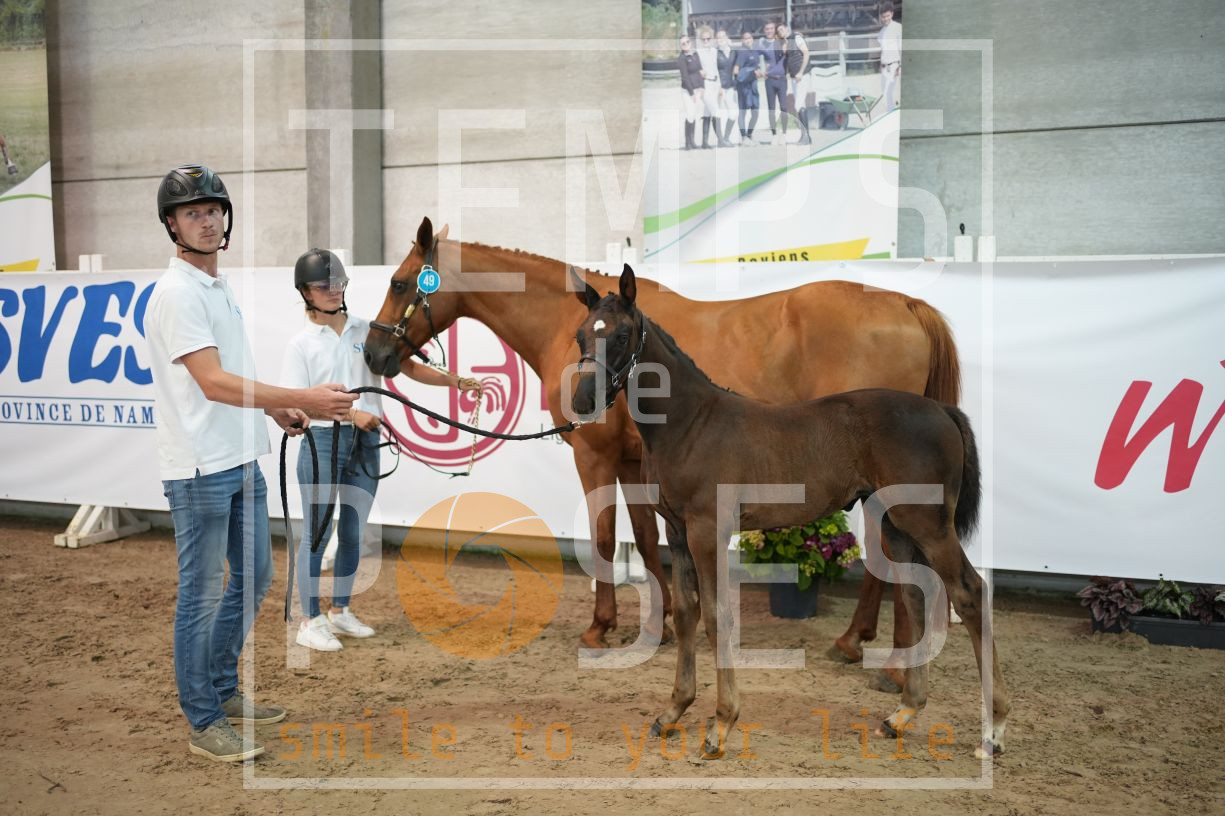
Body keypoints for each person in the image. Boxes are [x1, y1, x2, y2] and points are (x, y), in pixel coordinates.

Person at [145, 165, 357, 762]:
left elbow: (229, 375)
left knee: (254, 578)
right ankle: (204, 719)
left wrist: (273, 409)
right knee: (201, 596)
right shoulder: (178, 293)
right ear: (172, 225)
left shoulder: (215, 288)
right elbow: (211, 382)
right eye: (192, 213)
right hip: (200, 468)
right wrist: (302, 397)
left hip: (240, 458)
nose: (207, 221)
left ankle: (221, 690)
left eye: (213, 210)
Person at [283, 249, 481, 652]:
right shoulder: (300, 345)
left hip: (366, 441)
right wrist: (352, 414)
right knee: (317, 534)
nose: (333, 291)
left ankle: (339, 611)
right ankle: (309, 620)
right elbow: (296, 402)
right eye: (323, 286)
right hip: (323, 443)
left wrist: (454, 381)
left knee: (353, 532)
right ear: (305, 292)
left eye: (338, 283)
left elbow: (406, 366)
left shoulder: (365, 330)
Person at [780, 23, 813, 145]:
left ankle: (806, 136)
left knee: (798, 105)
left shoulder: (797, 38)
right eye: (779, 31)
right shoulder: (787, 42)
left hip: (802, 76)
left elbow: (806, 53)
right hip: (794, 77)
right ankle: (806, 136)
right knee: (800, 104)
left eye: (782, 29)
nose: (780, 32)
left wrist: (801, 72)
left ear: (786, 29)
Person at [758, 20, 787, 144]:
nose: (769, 31)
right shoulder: (762, 44)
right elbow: (753, 56)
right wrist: (758, 69)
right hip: (769, 80)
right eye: (767, 29)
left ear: (775, 30)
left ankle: (784, 134)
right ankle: (774, 134)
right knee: (771, 108)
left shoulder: (781, 41)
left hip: (781, 79)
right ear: (764, 31)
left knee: (784, 107)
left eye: (771, 28)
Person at [732, 30, 763, 145]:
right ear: (742, 40)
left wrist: (758, 72)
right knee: (743, 111)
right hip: (743, 86)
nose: (748, 40)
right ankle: (743, 137)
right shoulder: (742, 52)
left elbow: (756, 67)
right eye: (745, 38)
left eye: (749, 37)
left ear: (752, 39)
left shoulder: (755, 52)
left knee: (755, 111)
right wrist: (750, 72)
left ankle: (749, 134)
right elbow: (736, 70)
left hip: (753, 85)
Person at [695, 26, 723, 148]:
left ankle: (704, 143)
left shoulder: (715, 51)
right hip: (704, 84)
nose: (706, 41)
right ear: (700, 40)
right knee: (716, 111)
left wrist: (720, 86)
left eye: (708, 38)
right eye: (703, 39)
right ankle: (721, 140)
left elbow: (717, 69)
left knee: (707, 113)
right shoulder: (697, 53)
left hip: (715, 84)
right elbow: (694, 69)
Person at [677, 34, 704, 150]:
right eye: (683, 43)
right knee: (689, 114)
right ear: (680, 46)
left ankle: (692, 141)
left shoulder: (695, 54)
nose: (686, 44)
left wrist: (702, 86)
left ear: (690, 42)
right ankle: (687, 143)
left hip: (698, 89)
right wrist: (691, 93)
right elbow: (685, 77)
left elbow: (700, 71)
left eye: (687, 42)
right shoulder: (681, 59)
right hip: (687, 91)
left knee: (694, 114)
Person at [714, 30, 738, 146]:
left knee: (733, 113)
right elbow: (713, 70)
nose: (721, 39)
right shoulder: (715, 53)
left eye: (723, 36)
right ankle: (720, 140)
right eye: (718, 37)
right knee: (718, 113)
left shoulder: (733, 52)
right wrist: (718, 86)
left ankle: (726, 138)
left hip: (730, 86)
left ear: (727, 37)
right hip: (720, 88)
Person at [878, 1, 902, 112]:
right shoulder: (881, 32)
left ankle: (894, 116)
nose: (886, 19)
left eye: (888, 16)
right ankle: (889, 115)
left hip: (894, 66)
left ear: (892, 14)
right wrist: (881, 65)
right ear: (881, 17)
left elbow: (901, 48)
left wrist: (900, 66)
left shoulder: (898, 27)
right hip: (884, 68)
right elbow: (883, 51)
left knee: (891, 93)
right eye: (883, 17)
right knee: (885, 95)